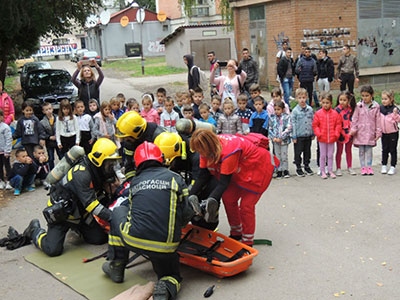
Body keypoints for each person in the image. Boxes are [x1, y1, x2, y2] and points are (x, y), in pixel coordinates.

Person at [102, 142, 194, 300]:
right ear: (162, 159)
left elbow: (132, 211)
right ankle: (165, 288)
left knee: (118, 212)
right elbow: (186, 212)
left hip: (135, 240)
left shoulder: (135, 182)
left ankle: (116, 265)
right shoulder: (175, 178)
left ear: (137, 163)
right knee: (171, 275)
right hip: (166, 245)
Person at [23, 138, 121, 257]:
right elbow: (91, 204)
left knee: (99, 239)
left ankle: (77, 228)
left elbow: (100, 196)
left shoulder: (100, 170)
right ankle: (34, 230)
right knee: (52, 249)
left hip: (81, 213)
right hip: (62, 214)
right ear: (99, 159)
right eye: (110, 162)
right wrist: (114, 217)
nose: (112, 166)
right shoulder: (81, 173)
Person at [189, 129, 277, 246]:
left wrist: (212, 200)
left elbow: (223, 183)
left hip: (257, 168)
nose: (201, 154)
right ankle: (236, 233)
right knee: (228, 199)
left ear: (208, 147)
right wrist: (191, 195)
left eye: (201, 151)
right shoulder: (205, 149)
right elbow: (203, 176)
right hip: (239, 170)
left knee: (246, 206)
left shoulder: (228, 152)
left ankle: (247, 241)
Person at [116, 111, 166, 179]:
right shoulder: (130, 139)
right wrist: (132, 181)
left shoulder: (159, 137)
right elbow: (129, 165)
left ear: (137, 132)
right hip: (141, 175)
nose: (125, 140)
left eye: (127, 137)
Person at [350, 85, 381, 175]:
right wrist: (353, 129)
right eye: (363, 96)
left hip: (370, 132)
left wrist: (378, 131)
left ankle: (369, 167)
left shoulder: (376, 106)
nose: (364, 98)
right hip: (360, 132)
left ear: (372, 95)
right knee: (361, 151)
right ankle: (363, 167)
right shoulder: (358, 106)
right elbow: (354, 118)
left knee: (369, 150)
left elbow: (378, 120)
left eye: (367, 95)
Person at [312, 92, 342, 179]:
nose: (325, 105)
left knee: (330, 155)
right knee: (322, 155)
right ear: (321, 102)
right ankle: (322, 171)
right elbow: (315, 125)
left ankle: (330, 170)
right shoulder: (318, 113)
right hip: (322, 138)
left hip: (332, 138)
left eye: (327, 103)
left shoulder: (335, 113)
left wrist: (336, 134)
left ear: (331, 103)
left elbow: (338, 124)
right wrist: (318, 134)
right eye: (324, 102)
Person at [291, 88, 315, 177]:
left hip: (308, 134)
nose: (302, 100)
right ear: (297, 98)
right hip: (299, 135)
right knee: (298, 152)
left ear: (306, 98)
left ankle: (307, 166)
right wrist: (293, 136)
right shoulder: (295, 111)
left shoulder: (310, 109)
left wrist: (313, 133)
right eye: (300, 98)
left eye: (304, 97)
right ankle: (298, 167)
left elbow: (313, 121)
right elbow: (293, 123)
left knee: (307, 151)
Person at [335, 91, 356, 176]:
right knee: (339, 151)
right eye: (340, 100)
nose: (342, 102)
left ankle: (349, 167)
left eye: (344, 100)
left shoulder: (351, 109)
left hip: (349, 132)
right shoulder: (336, 110)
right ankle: (338, 168)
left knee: (348, 150)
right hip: (340, 133)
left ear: (348, 100)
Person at [268, 101, 292, 178]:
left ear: (282, 109)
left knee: (284, 155)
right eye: (275, 109)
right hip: (275, 141)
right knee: (277, 156)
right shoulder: (272, 118)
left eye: (278, 109)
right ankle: (279, 170)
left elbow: (289, 128)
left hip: (284, 141)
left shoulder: (287, 117)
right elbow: (270, 128)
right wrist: (273, 137)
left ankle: (285, 170)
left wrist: (281, 137)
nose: (276, 111)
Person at [379, 90, 400, 175]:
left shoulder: (395, 109)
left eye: (385, 99)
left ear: (391, 99)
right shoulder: (380, 108)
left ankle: (392, 166)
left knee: (392, 150)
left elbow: (398, 120)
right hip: (384, 133)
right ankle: (384, 165)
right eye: (382, 99)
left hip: (393, 133)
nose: (383, 101)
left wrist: (395, 115)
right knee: (384, 149)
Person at [40, 102, 61, 169]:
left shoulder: (58, 118)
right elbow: (42, 132)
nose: (49, 111)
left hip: (58, 141)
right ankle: (51, 170)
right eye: (46, 110)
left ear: (52, 109)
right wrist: (48, 137)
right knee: (51, 157)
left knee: (61, 156)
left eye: (49, 109)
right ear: (43, 111)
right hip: (49, 142)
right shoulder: (42, 122)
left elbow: (61, 128)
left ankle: (63, 170)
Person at [0, 109, 12, 190]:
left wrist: (7, 151)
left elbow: (8, 139)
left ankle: (9, 181)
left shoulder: (5, 127)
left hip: (4, 151)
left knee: (7, 166)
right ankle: (1, 180)